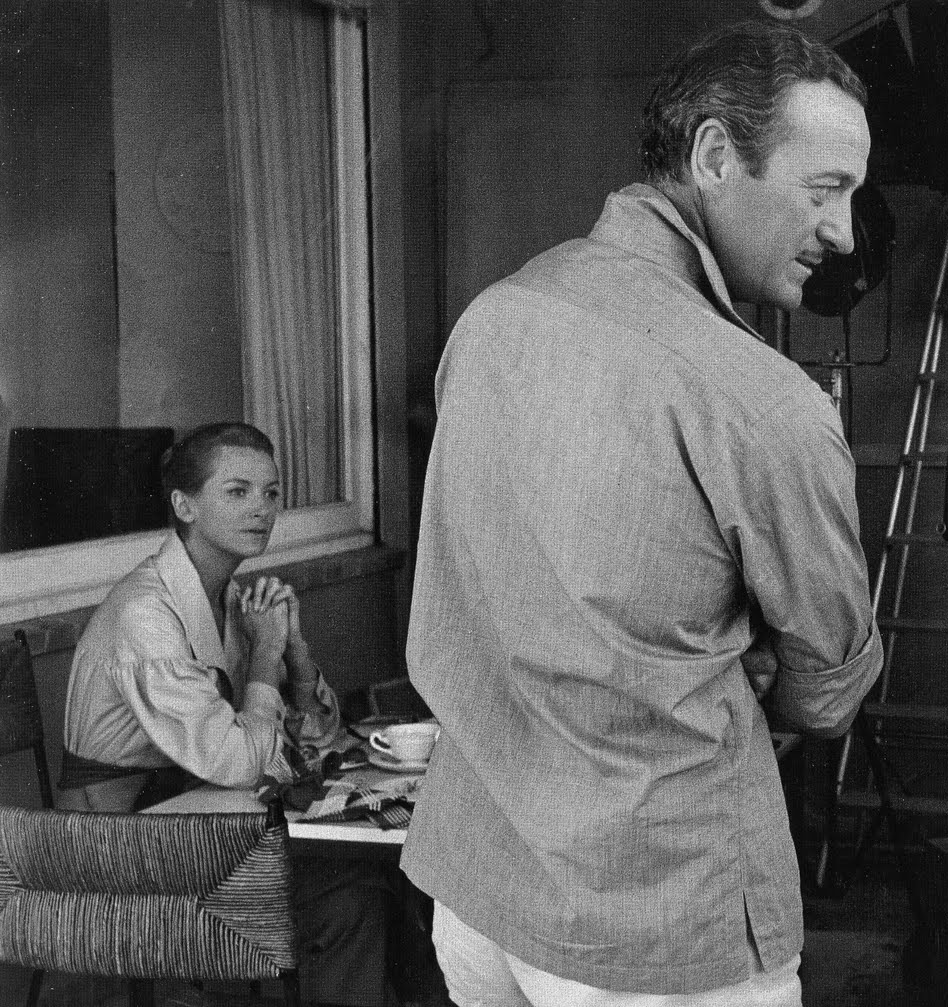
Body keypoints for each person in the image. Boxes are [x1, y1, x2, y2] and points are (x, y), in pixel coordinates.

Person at [400, 19, 883, 1007]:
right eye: (824, 189)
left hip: (477, 891)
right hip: (652, 924)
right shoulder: (763, 401)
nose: (842, 232)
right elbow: (829, 691)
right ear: (714, 156)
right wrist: (736, 667)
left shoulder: (492, 317)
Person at [58, 422, 391, 1007]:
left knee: (364, 885)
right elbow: (239, 763)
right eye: (237, 491)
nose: (261, 508)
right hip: (115, 848)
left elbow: (318, 741)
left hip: (199, 824)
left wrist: (296, 656)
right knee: (344, 892)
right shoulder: (147, 615)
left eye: (271, 492)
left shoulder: (230, 599)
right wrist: (263, 657)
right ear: (184, 506)